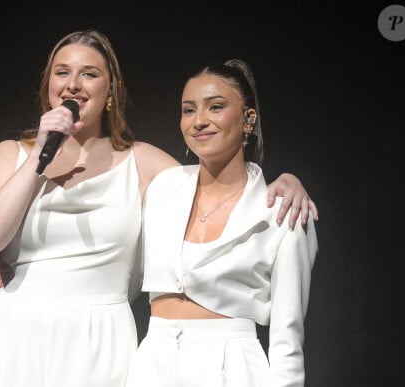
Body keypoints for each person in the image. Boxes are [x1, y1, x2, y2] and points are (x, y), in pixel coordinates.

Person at [0, 29, 317, 387]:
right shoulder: (11, 154)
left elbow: (219, 180)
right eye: (61, 72)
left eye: (89, 73)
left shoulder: (144, 164)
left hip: (99, 337)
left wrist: (286, 180)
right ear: (47, 84)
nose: (73, 84)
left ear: (110, 91)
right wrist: (39, 154)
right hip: (13, 331)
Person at [124, 59, 318, 387]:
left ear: (248, 120)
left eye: (216, 107)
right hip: (152, 363)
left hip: (233, 367)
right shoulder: (162, 189)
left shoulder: (281, 211)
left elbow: (288, 340)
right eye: (188, 110)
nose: (199, 121)